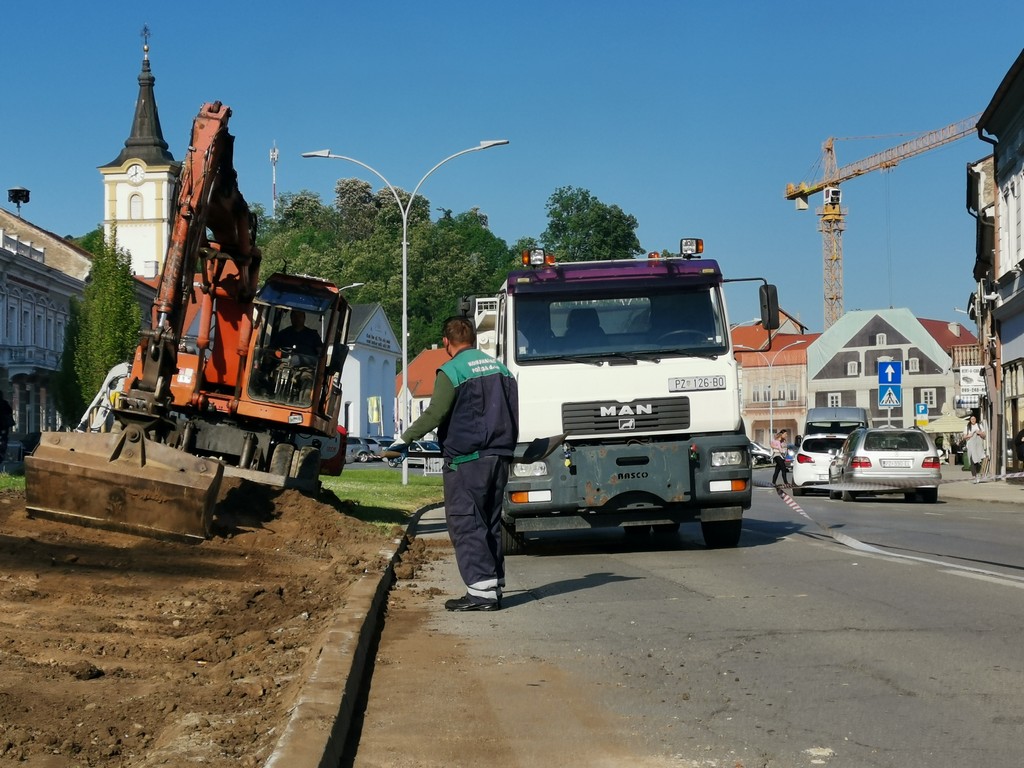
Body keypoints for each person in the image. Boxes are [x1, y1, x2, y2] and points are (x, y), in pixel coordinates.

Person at [386, 316, 519, 612]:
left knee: (466, 522)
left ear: (446, 342)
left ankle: (481, 594)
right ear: (472, 338)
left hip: (466, 461)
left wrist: (404, 440)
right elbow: (512, 411)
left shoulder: (451, 371)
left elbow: (435, 414)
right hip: (498, 457)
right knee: (490, 522)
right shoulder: (501, 370)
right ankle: (493, 586)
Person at [962, 414, 987, 483]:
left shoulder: (979, 426)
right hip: (970, 446)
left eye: (974, 419)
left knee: (978, 460)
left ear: (976, 419)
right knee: (972, 461)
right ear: (970, 420)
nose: (973, 420)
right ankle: (974, 476)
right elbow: (964, 437)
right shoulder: (967, 427)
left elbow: (984, 435)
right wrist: (969, 435)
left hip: (978, 446)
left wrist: (979, 433)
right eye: (972, 419)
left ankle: (978, 475)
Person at [0, 391, 12, 462]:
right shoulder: (4, 403)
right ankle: (1, 453)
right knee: (4, 439)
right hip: (3, 426)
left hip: (3, 426)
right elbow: (10, 411)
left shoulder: (4, 403)